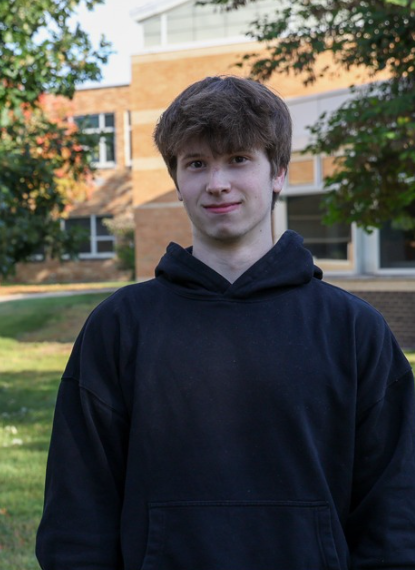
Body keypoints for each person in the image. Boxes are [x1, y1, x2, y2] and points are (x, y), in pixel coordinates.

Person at [35, 76, 415, 569]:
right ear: (177, 182)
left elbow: (396, 515)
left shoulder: (353, 330)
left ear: (278, 172)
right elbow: (77, 514)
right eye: (197, 164)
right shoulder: (120, 327)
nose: (217, 183)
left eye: (238, 159)